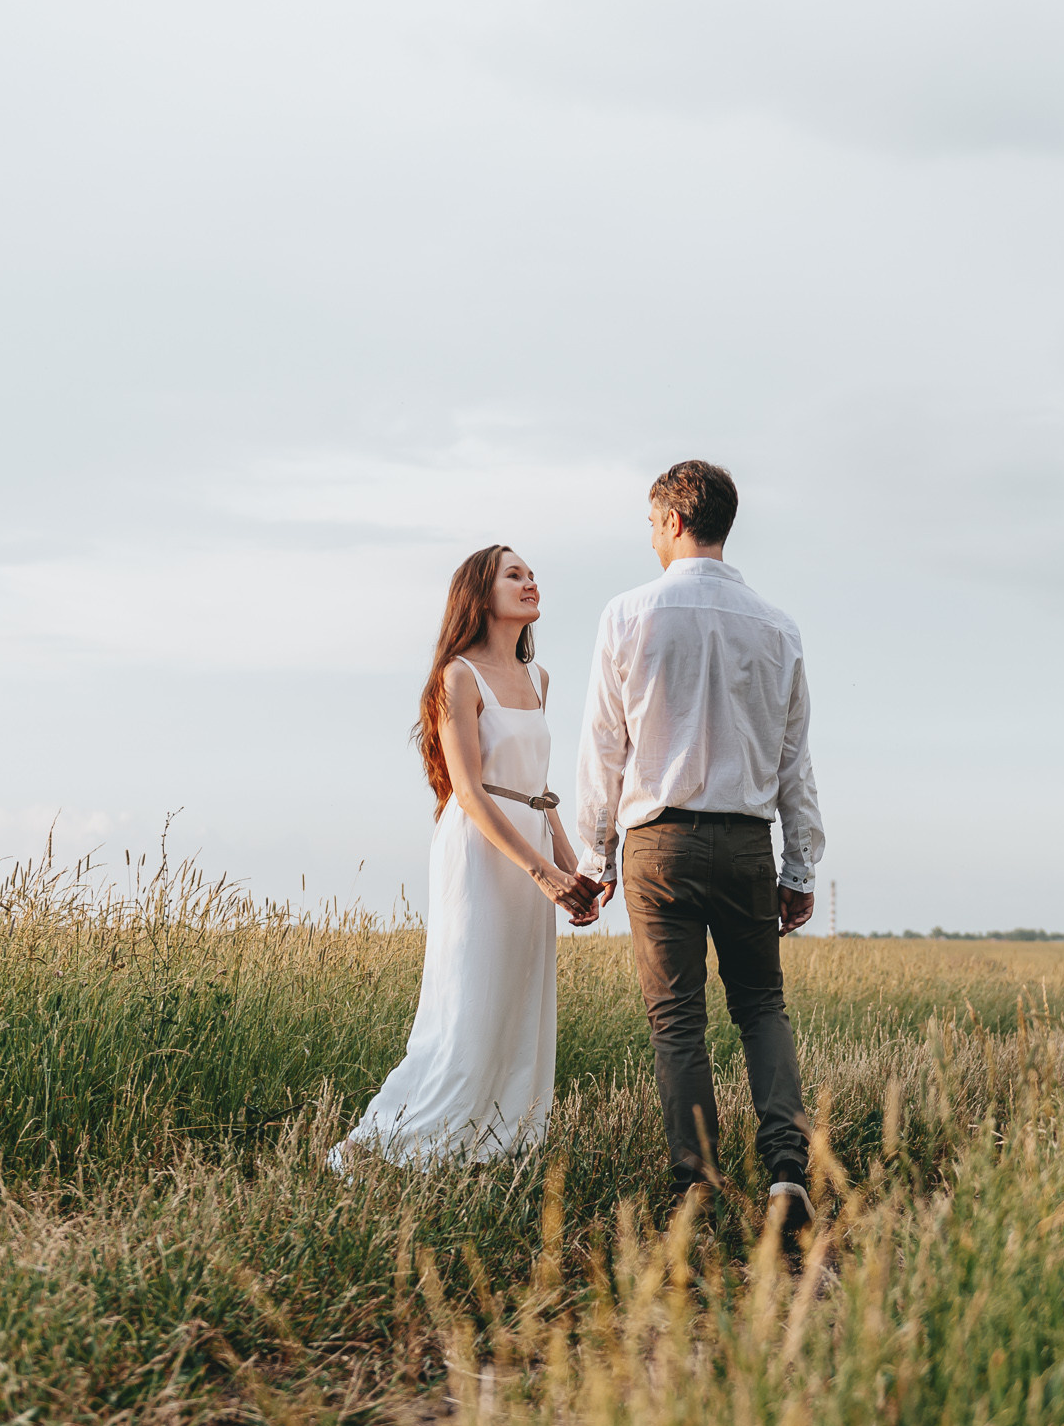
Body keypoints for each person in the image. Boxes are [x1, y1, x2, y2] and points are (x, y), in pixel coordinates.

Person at [574, 461, 825, 1238]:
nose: (650, 538)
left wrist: (594, 858)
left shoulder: (626, 615)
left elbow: (602, 750)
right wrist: (800, 864)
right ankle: (788, 1172)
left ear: (674, 520)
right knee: (761, 1008)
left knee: (677, 1020)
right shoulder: (777, 626)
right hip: (748, 839)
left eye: (652, 525)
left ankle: (698, 1188)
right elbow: (794, 760)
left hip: (658, 844)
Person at [330, 546, 600, 1171]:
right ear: (480, 594)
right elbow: (471, 792)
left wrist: (576, 870)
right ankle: (398, 1144)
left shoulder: (541, 679)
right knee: (468, 1001)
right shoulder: (458, 675)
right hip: (480, 851)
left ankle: (499, 1142)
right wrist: (543, 873)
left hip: (530, 839)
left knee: (518, 1000)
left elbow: (540, 785)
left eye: (533, 573)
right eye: (515, 575)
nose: (531, 581)